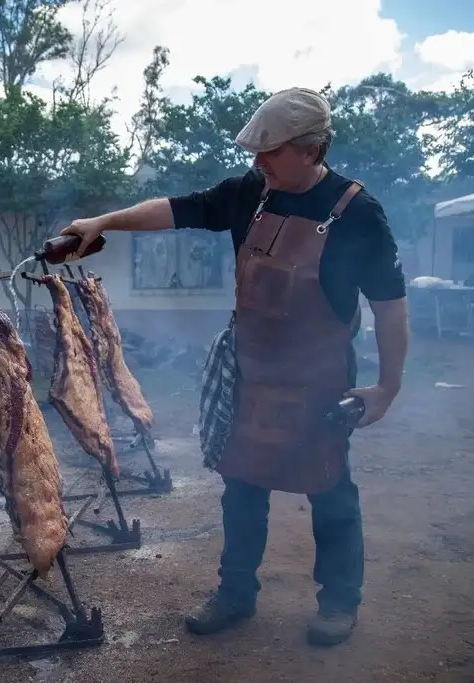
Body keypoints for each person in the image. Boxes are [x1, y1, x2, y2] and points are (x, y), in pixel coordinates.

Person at [59, 87, 409, 647]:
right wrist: (104, 221)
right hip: (251, 372)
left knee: (330, 490)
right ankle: (235, 594)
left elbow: (391, 306)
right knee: (242, 486)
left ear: (313, 150)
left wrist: (388, 387)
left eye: (269, 153)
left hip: (319, 379)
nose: (257, 163)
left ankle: (339, 603)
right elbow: (179, 209)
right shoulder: (253, 191)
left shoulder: (356, 211)